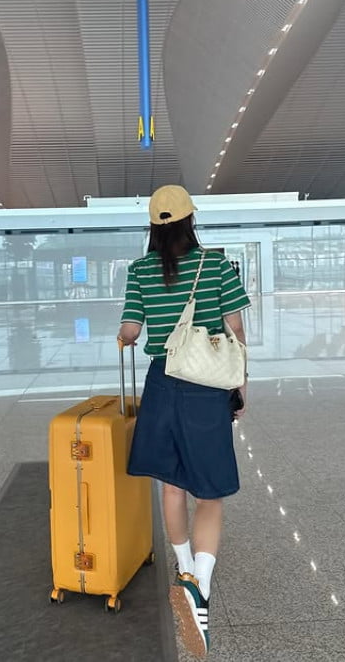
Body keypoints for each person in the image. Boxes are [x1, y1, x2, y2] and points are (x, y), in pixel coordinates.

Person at [118, 185, 250, 659]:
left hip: (162, 382)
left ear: (153, 225)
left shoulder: (139, 271)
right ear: (191, 220)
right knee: (209, 493)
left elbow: (131, 330)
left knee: (172, 487)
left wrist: (124, 335)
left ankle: (184, 568)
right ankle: (201, 586)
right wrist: (241, 386)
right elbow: (236, 328)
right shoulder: (216, 265)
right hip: (207, 384)